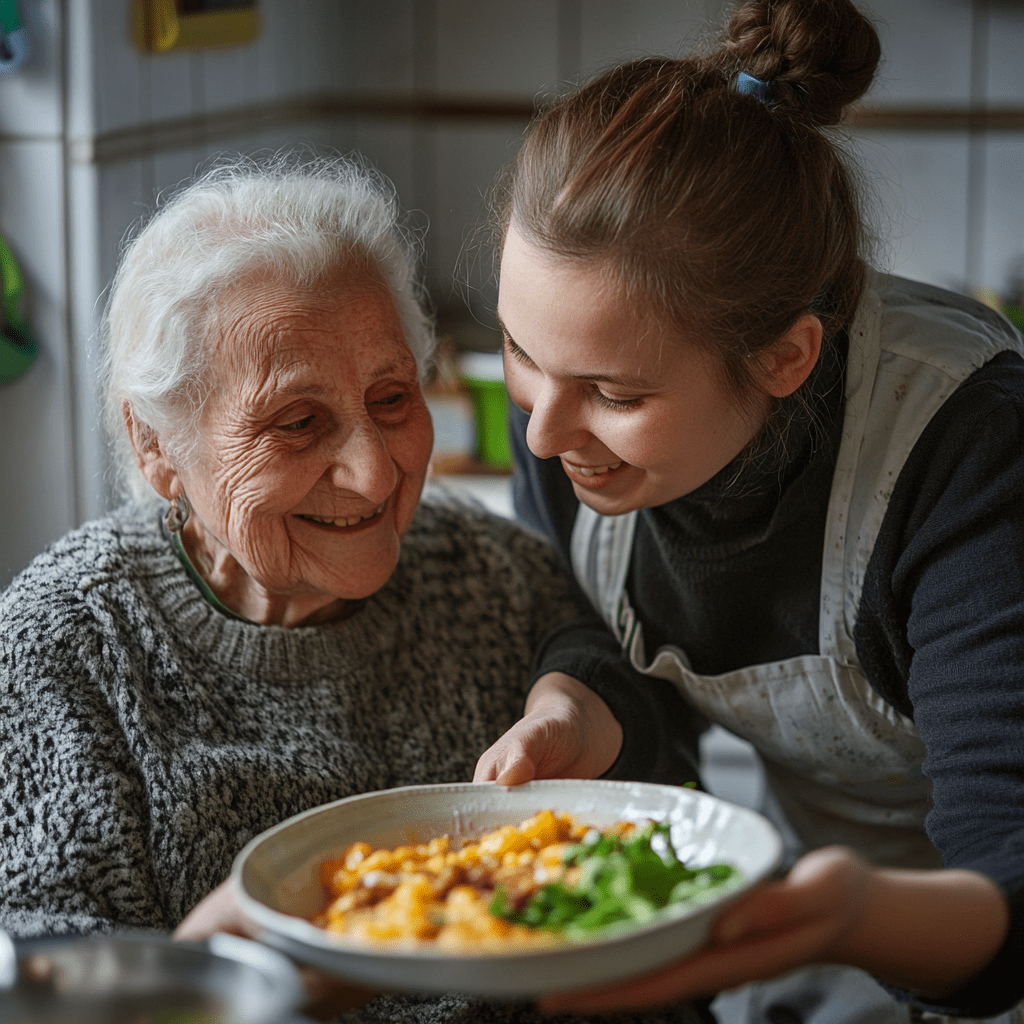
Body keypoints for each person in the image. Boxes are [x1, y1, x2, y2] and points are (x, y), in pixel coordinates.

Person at [0, 154, 705, 1024]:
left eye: (391, 398)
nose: (375, 475)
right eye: (298, 423)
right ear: (155, 445)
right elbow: (41, 991)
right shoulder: (65, 648)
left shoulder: (489, 571)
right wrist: (219, 982)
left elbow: (667, 806)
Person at [473, 1, 1024, 1022]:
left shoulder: (966, 454)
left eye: (614, 393)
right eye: (518, 353)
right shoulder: (563, 426)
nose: (543, 432)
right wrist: (576, 709)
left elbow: (1014, 870)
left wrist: (847, 911)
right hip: (801, 921)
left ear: (785, 357)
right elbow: (620, 656)